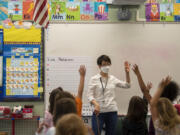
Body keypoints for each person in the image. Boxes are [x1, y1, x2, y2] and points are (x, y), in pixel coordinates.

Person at [87, 55, 131, 135]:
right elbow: (89, 95)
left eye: (108, 64)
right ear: (99, 66)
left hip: (112, 111)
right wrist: (95, 103)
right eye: (104, 64)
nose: (106, 66)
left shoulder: (112, 79)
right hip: (99, 112)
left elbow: (127, 85)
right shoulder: (94, 79)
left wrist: (127, 73)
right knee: (96, 133)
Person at [132, 64, 180, 135]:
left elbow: (144, 91)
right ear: (175, 93)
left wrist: (138, 74)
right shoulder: (177, 108)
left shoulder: (158, 106)